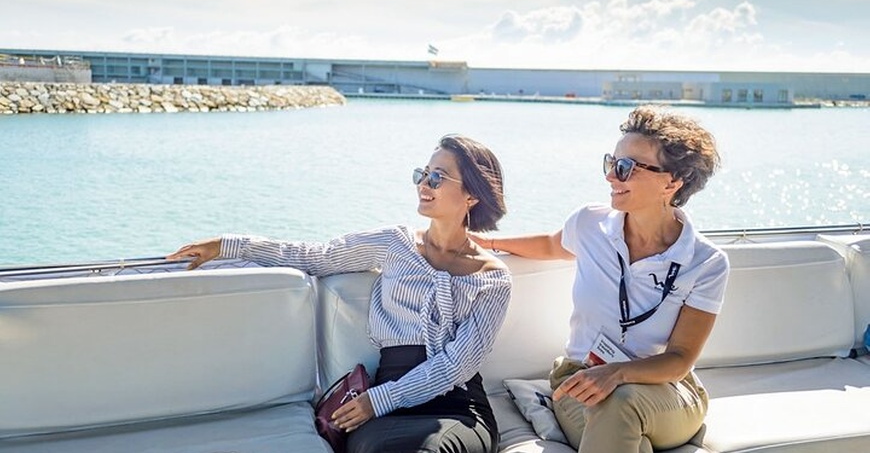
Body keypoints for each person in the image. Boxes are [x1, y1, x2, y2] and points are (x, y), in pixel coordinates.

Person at [167, 134, 510, 453]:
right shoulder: (394, 243)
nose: (423, 184)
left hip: (454, 408)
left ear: (471, 195)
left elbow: (457, 367)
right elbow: (315, 256)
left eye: (437, 177)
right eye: (422, 174)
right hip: (383, 404)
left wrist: (378, 401)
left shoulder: (493, 279)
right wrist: (228, 245)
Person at [474, 106, 728, 452]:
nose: (611, 176)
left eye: (626, 168)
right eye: (611, 163)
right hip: (579, 380)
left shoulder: (706, 262)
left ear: (672, 182)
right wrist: (487, 242)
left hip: (666, 392)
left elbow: (680, 358)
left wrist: (619, 373)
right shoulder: (590, 224)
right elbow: (551, 244)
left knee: (621, 400)